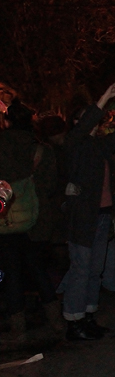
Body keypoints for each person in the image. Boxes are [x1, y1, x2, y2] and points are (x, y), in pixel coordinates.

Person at [62, 82, 115, 340]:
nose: (94, 122)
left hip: (103, 214)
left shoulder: (98, 145)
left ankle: (88, 315)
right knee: (81, 269)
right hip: (83, 217)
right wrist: (104, 97)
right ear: (77, 122)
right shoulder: (73, 143)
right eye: (85, 118)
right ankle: (73, 321)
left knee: (95, 269)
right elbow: (84, 126)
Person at [0, 97, 61, 339]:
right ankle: (56, 320)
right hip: (36, 220)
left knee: (11, 272)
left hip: (5, 218)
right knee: (38, 269)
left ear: (7, 121)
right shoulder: (41, 149)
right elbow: (50, 186)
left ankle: (19, 328)